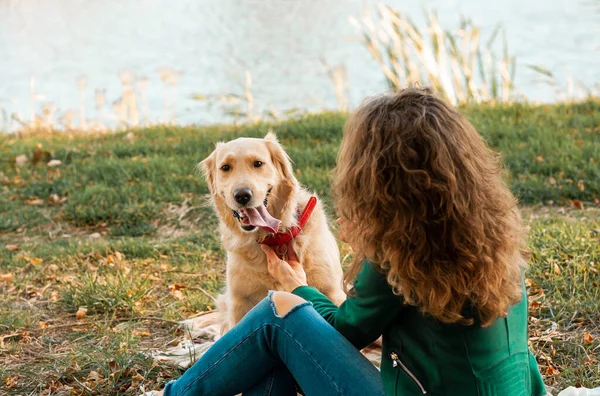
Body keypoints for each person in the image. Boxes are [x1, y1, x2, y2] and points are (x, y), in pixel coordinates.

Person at [155, 87, 547, 396]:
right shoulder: (497, 240)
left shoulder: (402, 257)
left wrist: (298, 287)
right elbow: (521, 358)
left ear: (378, 174)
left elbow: (344, 330)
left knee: (276, 314)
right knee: (271, 353)